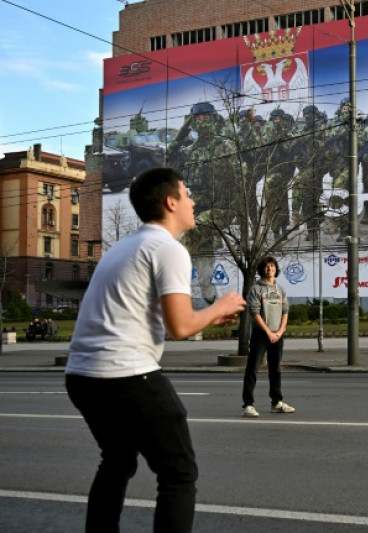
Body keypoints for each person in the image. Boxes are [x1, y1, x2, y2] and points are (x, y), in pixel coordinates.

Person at [65, 167, 246, 532]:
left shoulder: (124, 248)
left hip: (82, 376)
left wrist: (208, 317)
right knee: (179, 473)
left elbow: (159, 319)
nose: (193, 201)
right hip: (127, 375)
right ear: (170, 201)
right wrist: (218, 308)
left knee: (116, 462)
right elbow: (179, 328)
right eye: (187, 193)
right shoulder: (168, 248)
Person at [242, 257, 295, 418]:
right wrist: (268, 332)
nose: (269, 269)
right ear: (262, 270)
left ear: (276, 269)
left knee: (275, 369)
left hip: (277, 334)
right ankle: (248, 405)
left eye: (272, 266)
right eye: (266, 266)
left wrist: (280, 331)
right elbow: (254, 313)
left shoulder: (280, 290)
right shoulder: (256, 289)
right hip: (261, 334)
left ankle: (276, 403)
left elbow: (285, 311)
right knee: (253, 368)